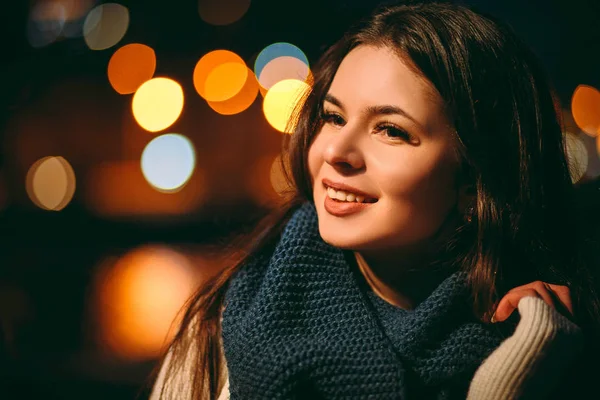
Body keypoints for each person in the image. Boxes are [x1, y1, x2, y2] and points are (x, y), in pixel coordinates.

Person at [149, 2, 600, 399]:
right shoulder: (224, 332)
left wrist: (516, 368)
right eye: (332, 117)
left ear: (474, 180)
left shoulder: (557, 349)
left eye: (391, 130)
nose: (335, 152)